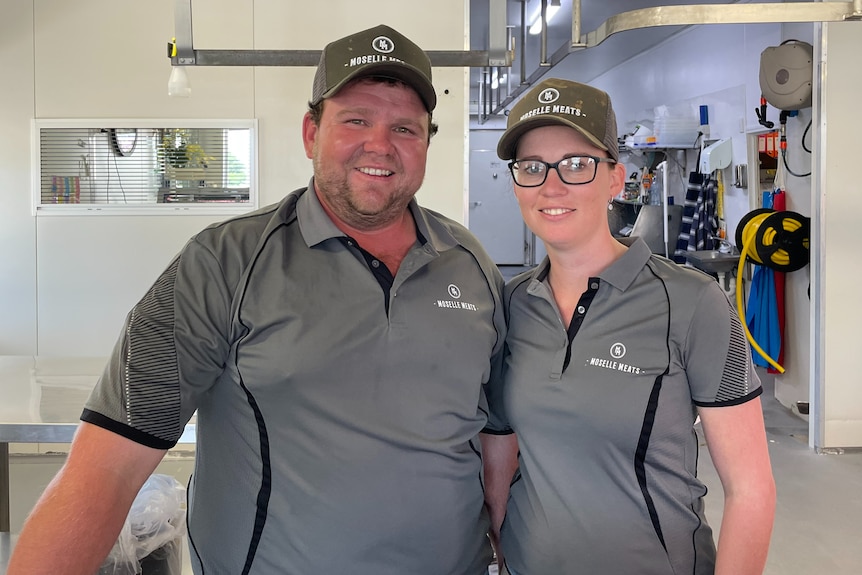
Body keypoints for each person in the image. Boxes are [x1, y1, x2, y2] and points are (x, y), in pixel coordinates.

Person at [9, 24, 506, 575]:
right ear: (311, 133)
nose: (380, 145)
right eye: (356, 120)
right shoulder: (221, 263)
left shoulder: (470, 262)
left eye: (405, 128)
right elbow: (106, 468)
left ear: (427, 143)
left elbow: (493, 437)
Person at [481, 78, 776, 575]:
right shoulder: (510, 303)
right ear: (515, 184)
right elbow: (502, 451)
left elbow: (750, 488)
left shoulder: (691, 302)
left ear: (615, 179)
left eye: (577, 164)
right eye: (532, 167)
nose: (552, 186)